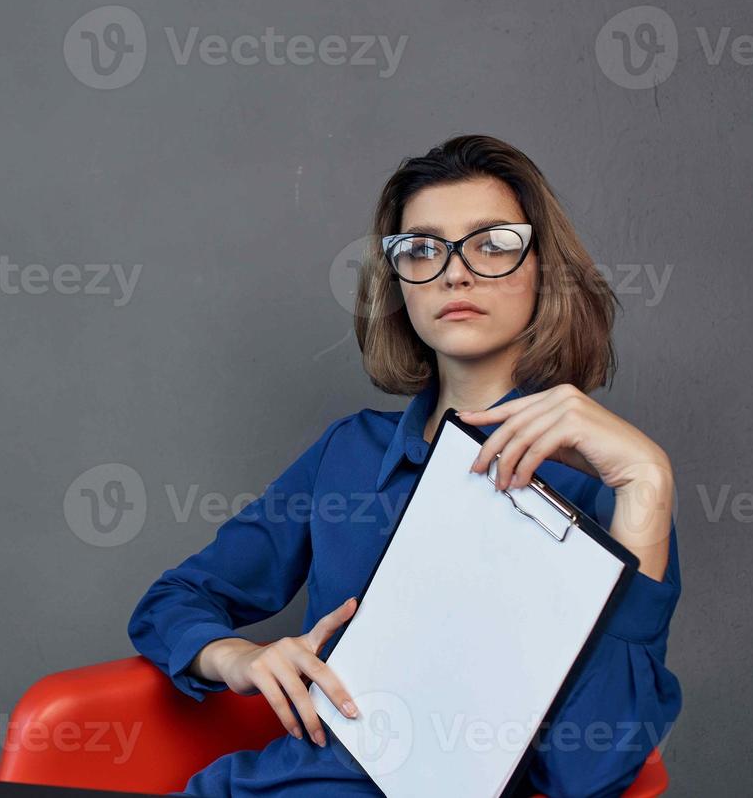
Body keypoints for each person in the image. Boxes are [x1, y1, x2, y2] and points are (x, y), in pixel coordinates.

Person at [126, 134, 682, 797]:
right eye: (421, 248)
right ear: (398, 284)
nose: (455, 272)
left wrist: (648, 481)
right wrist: (237, 658)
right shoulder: (348, 456)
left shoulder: (604, 488)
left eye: (493, 243)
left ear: (544, 270)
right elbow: (170, 602)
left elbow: (588, 775)